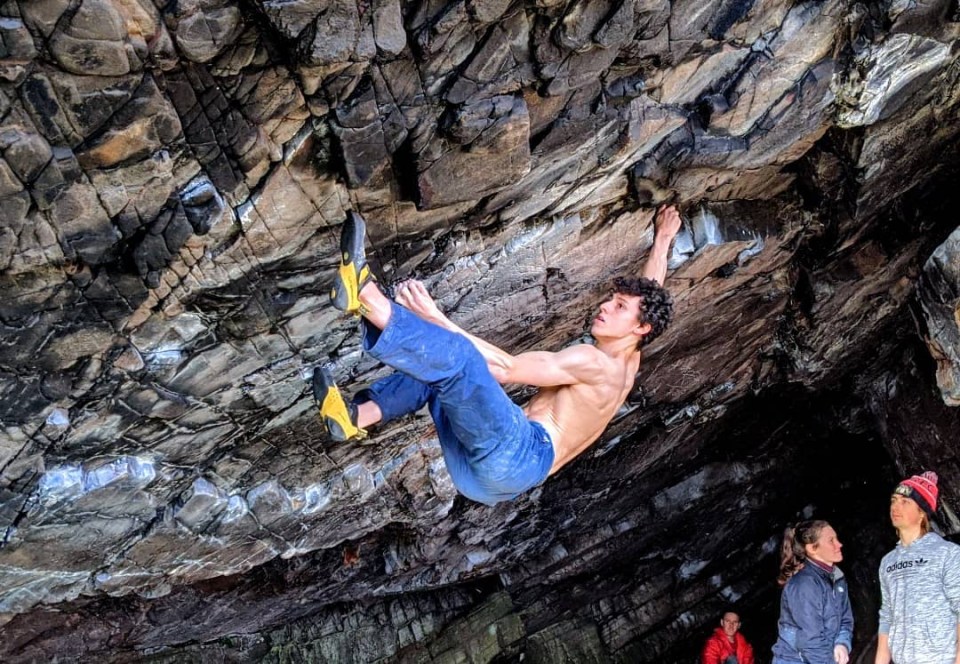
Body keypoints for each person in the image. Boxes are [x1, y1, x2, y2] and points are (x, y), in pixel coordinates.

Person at [312, 206, 681, 505]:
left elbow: (505, 368)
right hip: (490, 486)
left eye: (618, 306)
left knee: (458, 357)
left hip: (519, 454)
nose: (605, 307)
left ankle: (364, 295)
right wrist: (662, 240)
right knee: (437, 374)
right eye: (612, 300)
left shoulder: (593, 360)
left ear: (639, 328)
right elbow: (651, 295)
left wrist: (435, 316)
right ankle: (354, 417)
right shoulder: (628, 361)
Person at [875, 471, 960, 664]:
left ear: (922, 512)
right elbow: (887, 616)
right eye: (893, 500)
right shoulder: (888, 562)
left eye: (905, 502)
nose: (895, 506)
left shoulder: (947, 554)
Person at [772, 520, 854, 664]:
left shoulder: (837, 577)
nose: (839, 544)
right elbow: (811, 642)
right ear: (812, 548)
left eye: (836, 538)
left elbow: (846, 620)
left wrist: (842, 643)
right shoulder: (804, 584)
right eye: (831, 541)